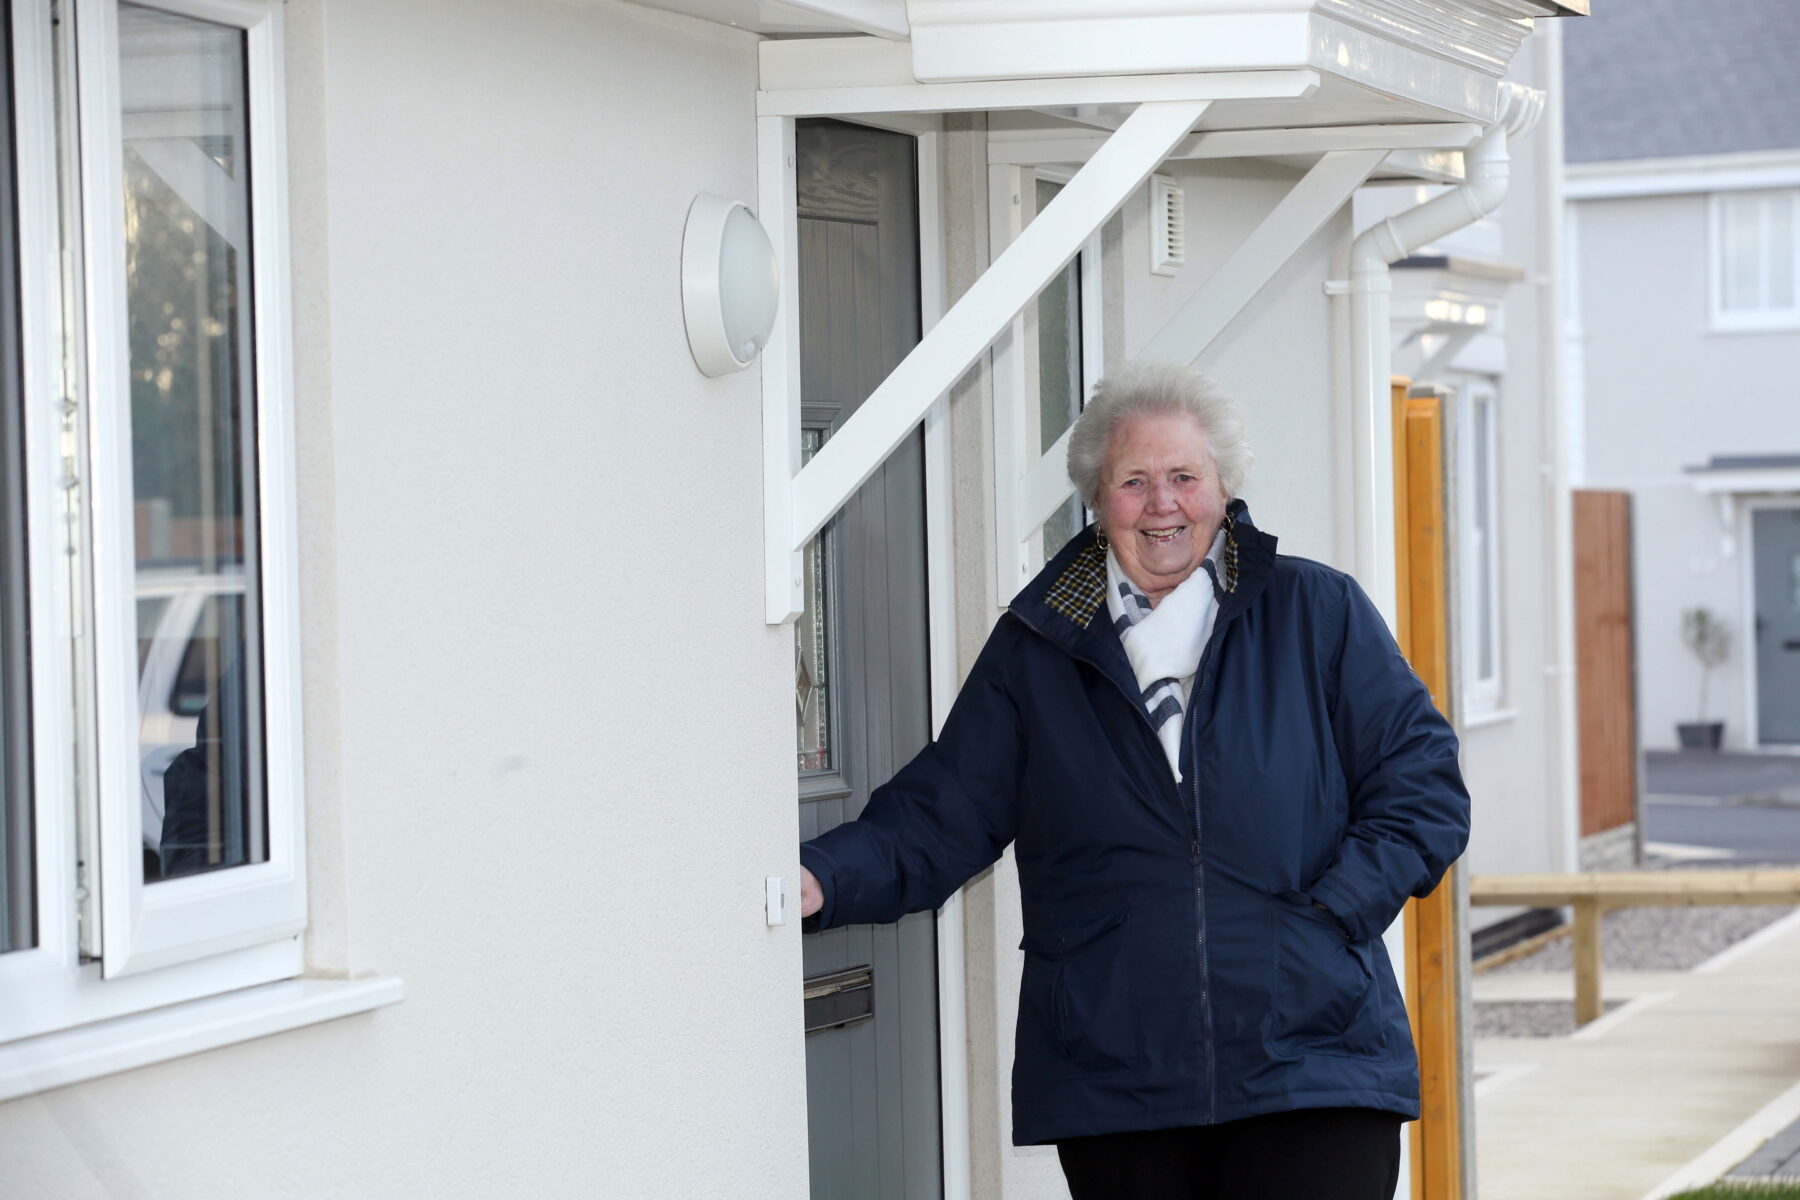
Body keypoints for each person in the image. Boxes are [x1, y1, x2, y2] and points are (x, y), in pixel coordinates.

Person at [797, 362, 1470, 1200]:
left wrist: (1331, 918)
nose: (1163, 504)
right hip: (1118, 1072)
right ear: (1096, 498)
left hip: (1312, 1058)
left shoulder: (1315, 613)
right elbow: (946, 811)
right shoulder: (1038, 646)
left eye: (1185, 477)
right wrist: (817, 880)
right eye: (1134, 481)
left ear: (1223, 488)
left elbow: (1423, 786)